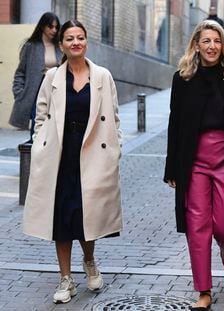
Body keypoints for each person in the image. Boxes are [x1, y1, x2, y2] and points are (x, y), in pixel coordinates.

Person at [23, 20, 122, 304]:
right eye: (70, 38)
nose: (75, 42)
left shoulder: (102, 76)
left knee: (85, 213)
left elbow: (113, 118)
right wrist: (42, 145)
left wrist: (115, 151)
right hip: (60, 155)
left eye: (80, 37)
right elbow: (40, 115)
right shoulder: (53, 77)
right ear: (62, 44)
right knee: (61, 217)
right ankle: (65, 279)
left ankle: (89, 261)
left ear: (86, 41)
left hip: (92, 154)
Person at [164, 20, 224, 311]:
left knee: (223, 223)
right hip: (194, 161)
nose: (211, 46)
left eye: (216, 41)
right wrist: (172, 168)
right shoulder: (182, 79)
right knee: (197, 226)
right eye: (205, 41)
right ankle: (203, 291)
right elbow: (175, 124)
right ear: (196, 44)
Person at [9, 12, 62, 141]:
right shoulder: (30, 46)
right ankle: (36, 149)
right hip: (36, 90)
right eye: (51, 27)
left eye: (56, 27)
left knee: (55, 121)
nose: (54, 30)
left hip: (56, 89)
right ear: (43, 26)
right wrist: (19, 93)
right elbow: (20, 72)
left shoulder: (60, 46)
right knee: (37, 121)